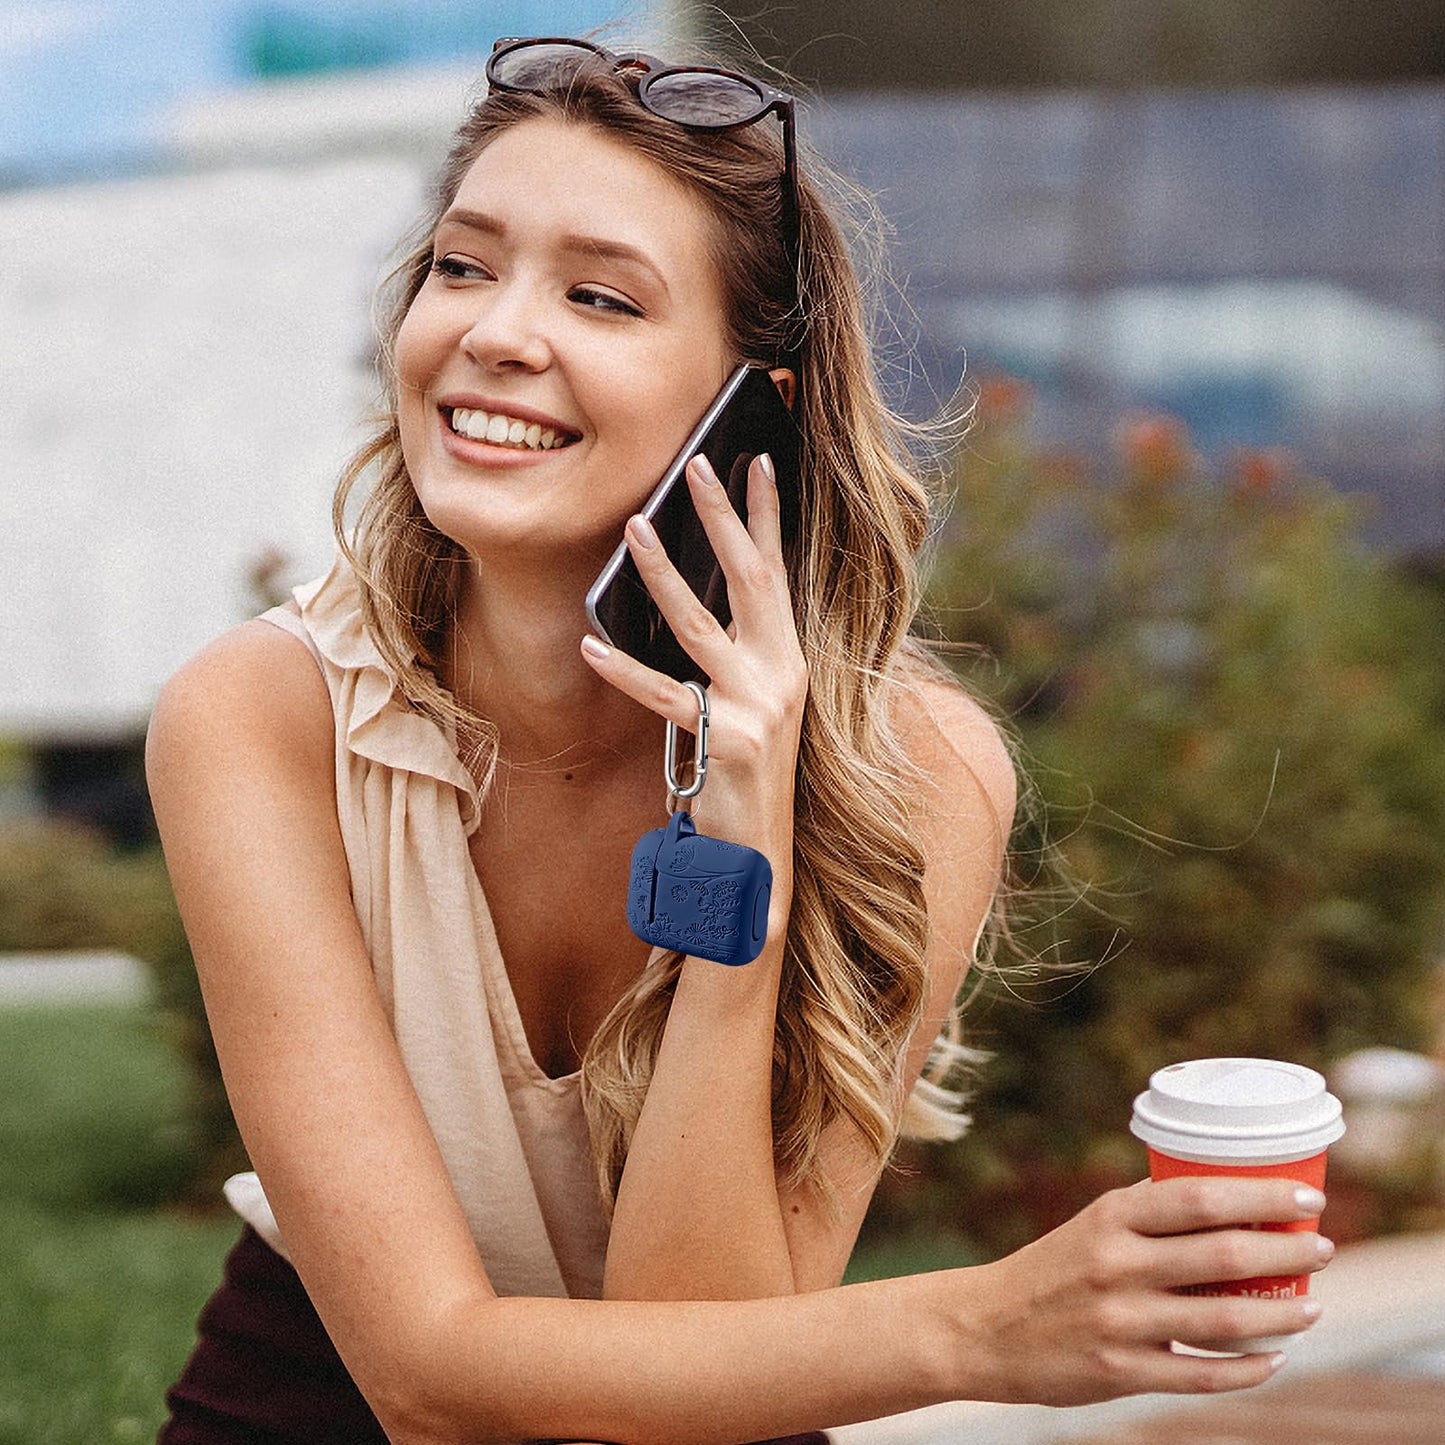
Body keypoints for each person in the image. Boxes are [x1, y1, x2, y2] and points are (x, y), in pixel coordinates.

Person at [146, 34, 1333, 1445]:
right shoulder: (263, 716)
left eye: (599, 295)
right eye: (463, 266)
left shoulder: (914, 773)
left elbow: (698, 1373)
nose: (495, 332)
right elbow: (418, 1376)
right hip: (317, 1396)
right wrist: (974, 1328)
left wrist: (738, 858)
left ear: (746, 417)